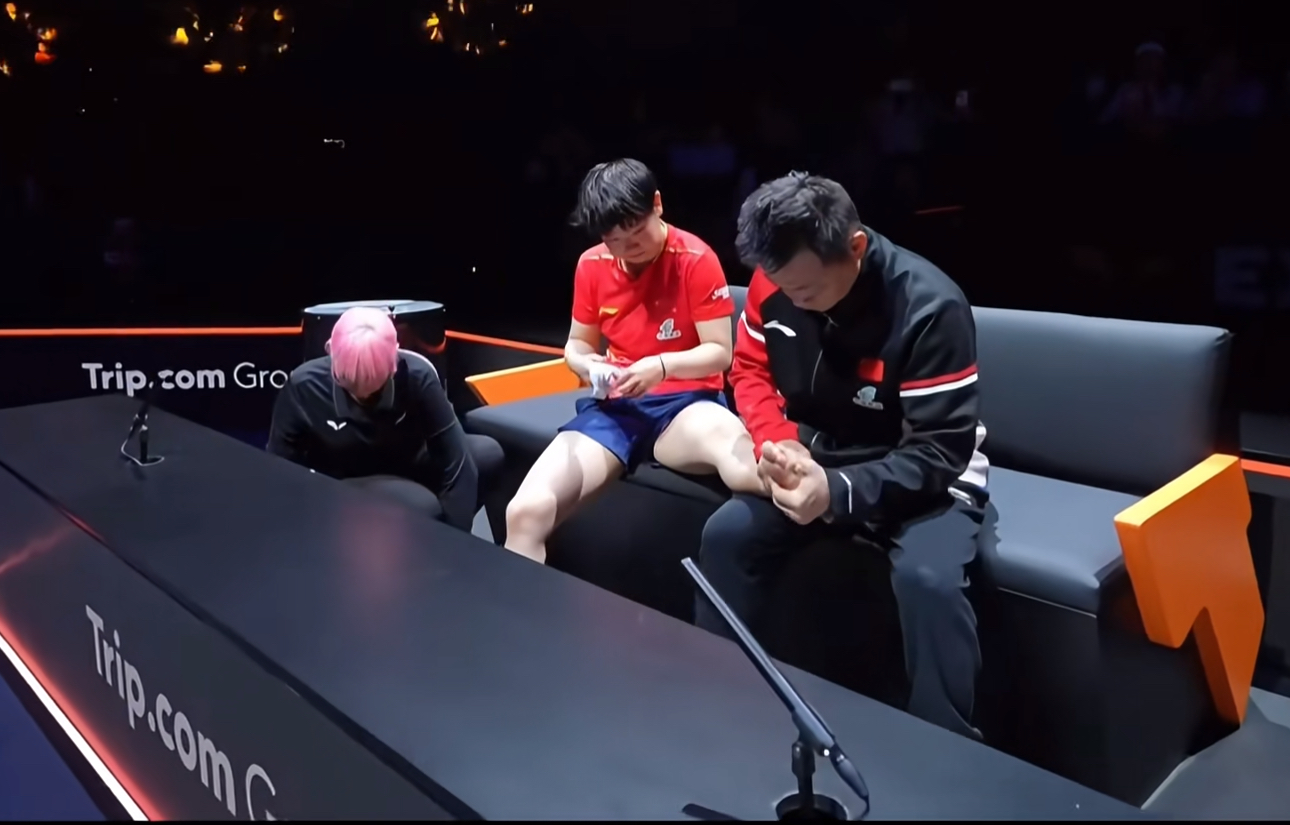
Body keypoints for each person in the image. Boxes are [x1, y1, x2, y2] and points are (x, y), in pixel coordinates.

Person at [695, 172, 989, 740]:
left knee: (929, 583)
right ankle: (723, 698)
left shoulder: (930, 306)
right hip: (818, 451)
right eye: (780, 285)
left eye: (805, 291)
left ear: (854, 248)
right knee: (727, 535)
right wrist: (777, 441)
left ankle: (945, 747)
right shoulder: (776, 278)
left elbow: (939, 450)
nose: (790, 299)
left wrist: (835, 492)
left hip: (924, 471)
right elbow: (750, 370)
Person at [503, 158, 763, 563]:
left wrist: (660, 366)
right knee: (524, 513)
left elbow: (719, 352)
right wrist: (591, 366)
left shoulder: (696, 258)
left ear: (656, 204)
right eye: (615, 240)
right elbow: (576, 346)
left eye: (638, 231)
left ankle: (838, 498)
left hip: (686, 405)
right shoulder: (592, 265)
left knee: (746, 468)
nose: (630, 248)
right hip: (616, 410)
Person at [266, 306, 502, 533]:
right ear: (329, 351)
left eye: (374, 387)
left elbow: (457, 462)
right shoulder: (304, 386)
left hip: (407, 460)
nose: (363, 395)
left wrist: (455, 539)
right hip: (348, 479)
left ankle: (438, 540)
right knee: (421, 503)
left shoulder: (417, 375)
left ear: (395, 358)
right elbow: (280, 469)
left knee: (486, 453)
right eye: (350, 385)